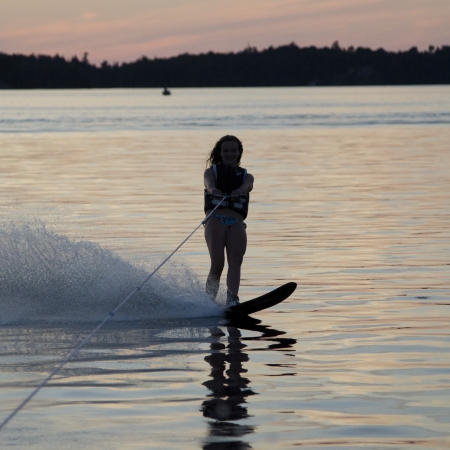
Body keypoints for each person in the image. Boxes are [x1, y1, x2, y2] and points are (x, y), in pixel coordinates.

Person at [204, 135, 254, 307]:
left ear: (239, 152)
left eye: (233, 150)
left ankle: (232, 299)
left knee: (236, 261)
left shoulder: (247, 176)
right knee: (218, 263)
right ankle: (208, 302)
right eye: (226, 150)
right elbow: (208, 184)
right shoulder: (211, 172)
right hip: (215, 219)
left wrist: (240, 190)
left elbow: (248, 186)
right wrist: (214, 190)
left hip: (236, 222)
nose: (230, 154)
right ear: (220, 152)